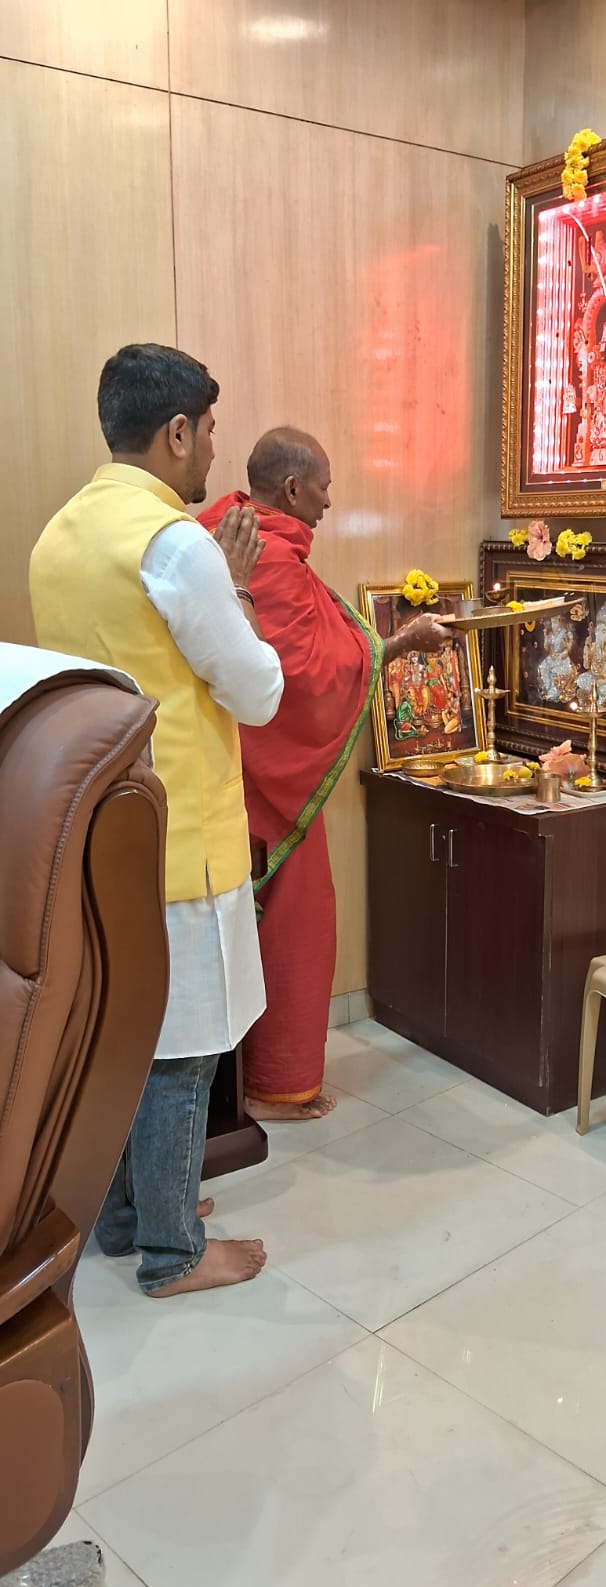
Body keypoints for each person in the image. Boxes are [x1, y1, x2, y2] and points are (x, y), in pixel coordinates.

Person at [29, 344, 284, 1296]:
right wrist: (238, 588)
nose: (213, 448)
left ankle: (129, 1216)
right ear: (177, 432)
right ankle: (173, 1254)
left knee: (126, 1039)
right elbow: (255, 690)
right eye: (209, 430)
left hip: (100, 834)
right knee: (186, 1050)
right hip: (181, 837)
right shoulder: (176, 545)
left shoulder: (60, 535)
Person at [199, 427, 450, 1120]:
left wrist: (396, 643)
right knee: (296, 925)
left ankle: (255, 1083)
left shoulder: (228, 531)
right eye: (324, 487)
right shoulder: (267, 557)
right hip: (267, 791)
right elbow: (299, 681)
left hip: (229, 779)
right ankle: (274, 1086)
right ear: (291, 489)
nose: (329, 502)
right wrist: (401, 643)